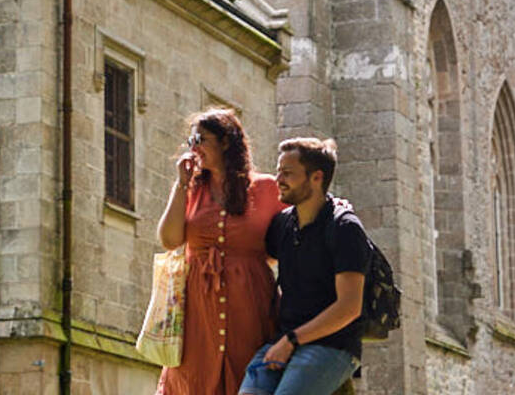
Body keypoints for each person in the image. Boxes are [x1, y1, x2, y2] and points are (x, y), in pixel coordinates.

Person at [154, 108, 283, 395]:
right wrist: (180, 184)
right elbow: (170, 239)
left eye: (201, 139)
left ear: (226, 142)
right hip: (197, 308)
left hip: (250, 303)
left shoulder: (266, 189)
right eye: (191, 142)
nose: (194, 147)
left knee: (246, 375)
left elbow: (288, 243)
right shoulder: (191, 191)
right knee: (193, 377)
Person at [241, 137, 368, 395]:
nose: (278, 180)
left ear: (316, 178)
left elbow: (349, 307)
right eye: (278, 172)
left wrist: (292, 340)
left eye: (287, 173)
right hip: (284, 341)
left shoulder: (345, 228)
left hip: (334, 346)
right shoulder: (282, 225)